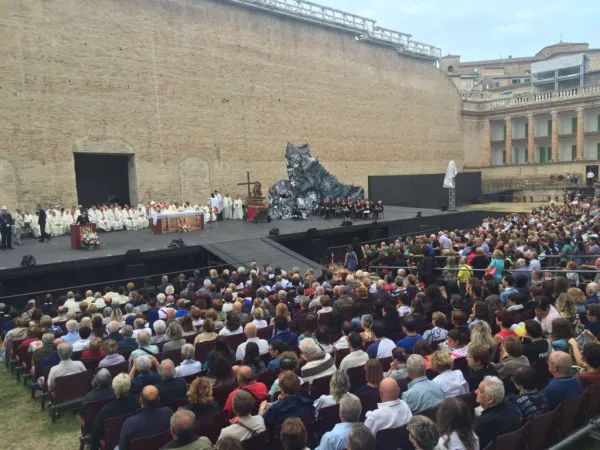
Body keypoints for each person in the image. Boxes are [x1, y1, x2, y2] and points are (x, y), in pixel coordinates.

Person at [90, 373, 141, 450]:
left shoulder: (106, 410)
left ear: (114, 390)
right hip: (136, 439)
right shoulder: (140, 402)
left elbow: (95, 432)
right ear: (129, 387)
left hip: (116, 445)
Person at [118, 385, 173, 450]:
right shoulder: (168, 412)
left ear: (140, 400)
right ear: (158, 399)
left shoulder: (129, 423)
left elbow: (122, 448)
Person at [474, 376, 522, 448]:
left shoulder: (482, 423)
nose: (475, 391)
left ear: (490, 398)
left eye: (480, 390)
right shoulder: (512, 407)